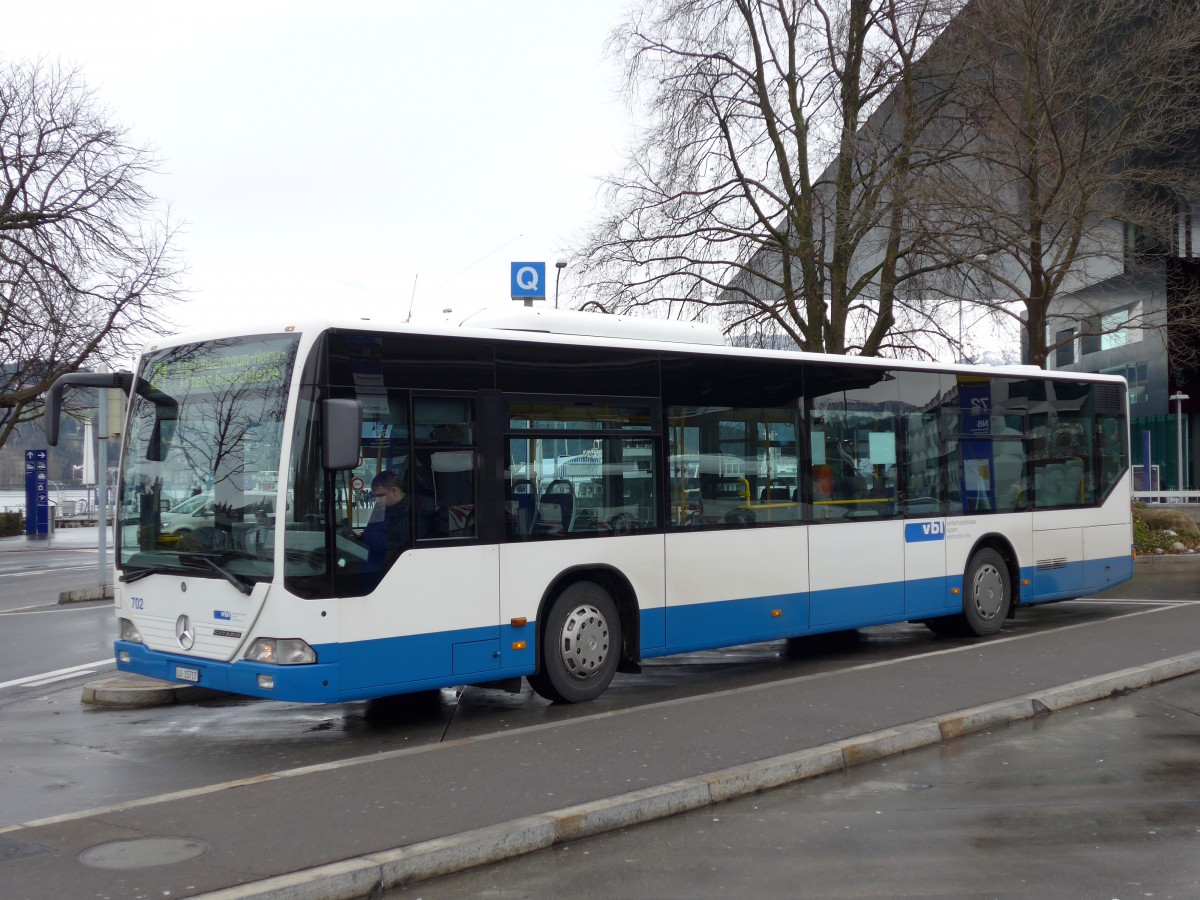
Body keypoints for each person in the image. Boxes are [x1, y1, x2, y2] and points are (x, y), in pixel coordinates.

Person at [361, 470, 411, 582]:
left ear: (394, 491)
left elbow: (390, 545)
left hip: (389, 568)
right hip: (374, 561)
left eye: (380, 496)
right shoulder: (381, 508)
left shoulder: (411, 511)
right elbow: (368, 534)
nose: (377, 500)